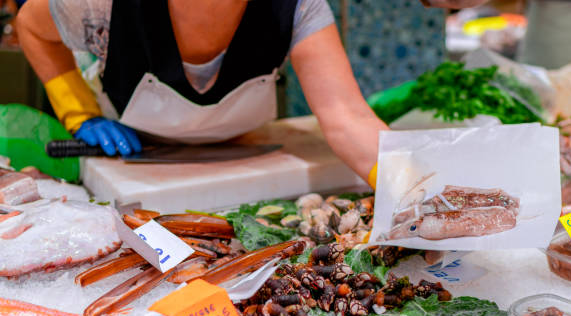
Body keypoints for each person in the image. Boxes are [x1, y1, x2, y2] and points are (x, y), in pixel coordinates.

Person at [16, 0, 488, 188]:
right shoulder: (100, 2)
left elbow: (348, 119)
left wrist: (418, 192)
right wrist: (78, 112)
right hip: (129, 174)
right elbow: (32, 30)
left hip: (244, 164)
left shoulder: (299, 7)